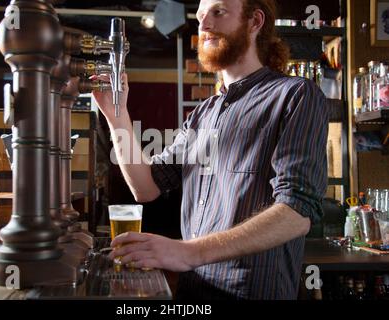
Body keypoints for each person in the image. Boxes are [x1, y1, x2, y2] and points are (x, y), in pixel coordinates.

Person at [92, 0, 328, 300]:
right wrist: (117, 115)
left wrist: (187, 253)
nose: (203, 26)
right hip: (195, 293)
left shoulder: (295, 96)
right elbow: (146, 187)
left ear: (254, 21)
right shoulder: (203, 113)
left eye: (218, 12)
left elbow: (297, 210)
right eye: (202, 16)